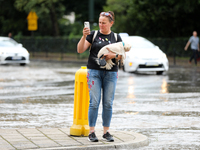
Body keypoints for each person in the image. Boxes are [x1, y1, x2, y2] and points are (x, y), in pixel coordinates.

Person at [77, 11, 122, 142]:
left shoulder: (116, 37)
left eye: (104, 23)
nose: (101, 25)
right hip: (94, 73)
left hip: (111, 73)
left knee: (108, 103)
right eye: (99, 22)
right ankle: (91, 132)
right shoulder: (93, 34)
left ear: (111, 23)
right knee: (94, 102)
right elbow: (80, 50)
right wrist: (83, 37)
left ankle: (106, 132)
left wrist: (113, 56)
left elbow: (124, 54)